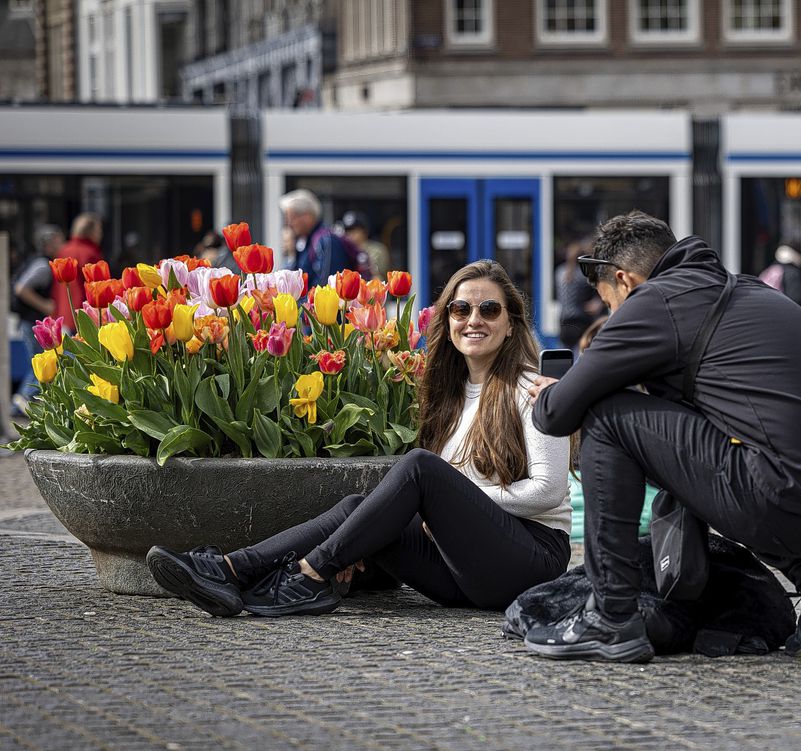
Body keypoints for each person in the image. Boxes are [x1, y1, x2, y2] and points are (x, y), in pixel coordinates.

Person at [523, 211, 801, 663]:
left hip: (794, 497)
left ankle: (611, 617)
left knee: (607, 415)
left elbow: (556, 415)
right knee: (722, 444)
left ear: (625, 281)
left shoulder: (656, 300)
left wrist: (558, 390)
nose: (617, 320)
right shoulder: (745, 290)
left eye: (613, 306)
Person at [146, 260, 572, 617]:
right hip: (464, 574)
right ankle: (231, 571)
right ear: (448, 320)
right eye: (461, 309)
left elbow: (549, 491)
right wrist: (363, 541)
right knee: (357, 508)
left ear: (512, 325)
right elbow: (442, 514)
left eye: (489, 310)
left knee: (419, 467)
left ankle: (310, 575)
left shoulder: (532, 389)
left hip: (528, 563)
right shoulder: (448, 398)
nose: (473, 320)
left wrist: (457, 501)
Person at [11, 224, 65, 414]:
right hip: (33, 323)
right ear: (49, 243)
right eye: (59, 239)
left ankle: (19, 403)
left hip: (33, 322)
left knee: (39, 362)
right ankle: (23, 398)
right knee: (40, 362)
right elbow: (21, 288)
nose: (63, 243)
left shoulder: (40, 262)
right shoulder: (42, 265)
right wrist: (45, 305)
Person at [280, 189, 359, 289]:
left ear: (307, 216)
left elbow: (325, 286)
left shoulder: (326, 241)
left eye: (291, 217)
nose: (289, 223)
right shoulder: (306, 241)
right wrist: (291, 254)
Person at [52, 213, 104, 331]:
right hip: (84, 316)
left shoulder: (63, 250)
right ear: (91, 232)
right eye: (99, 230)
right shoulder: (91, 253)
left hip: (62, 314)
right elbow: (99, 287)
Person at [556, 238, 606, 350]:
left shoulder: (559, 272)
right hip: (581, 322)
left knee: (565, 357)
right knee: (580, 357)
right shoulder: (583, 276)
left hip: (564, 322)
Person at [342, 211, 392, 280]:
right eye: (347, 231)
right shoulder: (344, 250)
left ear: (365, 231)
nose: (350, 235)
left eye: (354, 231)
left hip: (370, 287)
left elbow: (377, 274)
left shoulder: (377, 249)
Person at [760, 244, 801, 309]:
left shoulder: (770, 270)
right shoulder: (792, 272)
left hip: (768, 306)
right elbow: (796, 298)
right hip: (784, 309)